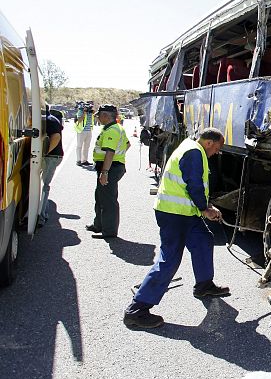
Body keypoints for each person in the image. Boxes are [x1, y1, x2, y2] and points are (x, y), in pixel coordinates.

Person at [123, 127, 229, 329]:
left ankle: (204, 285)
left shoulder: (190, 147)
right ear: (208, 143)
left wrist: (204, 208)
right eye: (216, 149)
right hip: (174, 214)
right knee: (170, 258)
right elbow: (194, 185)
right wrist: (205, 208)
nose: (216, 153)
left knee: (203, 241)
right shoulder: (194, 152)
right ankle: (137, 309)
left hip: (185, 214)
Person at [85, 105, 130, 239]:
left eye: (99, 115)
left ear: (106, 116)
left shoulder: (112, 130)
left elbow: (109, 153)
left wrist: (105, 172)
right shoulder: (114, 128)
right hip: (111, 166)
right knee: (100, 196)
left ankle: (109, 231)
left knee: (108, 200)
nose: (97, 117)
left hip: (110, 167)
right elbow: (127, 144)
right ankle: (99, 225)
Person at [38, 110, 64, 226]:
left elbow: (56, 136)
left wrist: (45, 153)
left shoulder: (49, 120)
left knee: (44, 185)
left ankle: (41, 217)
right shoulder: (50, 119)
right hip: (52, 156)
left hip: (52, 157)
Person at [74, 101, 95, 167]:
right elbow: (79, 120)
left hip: (89, 131)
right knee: (79, 146)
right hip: (81, 131)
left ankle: (84, 160)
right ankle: (78, 160)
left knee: (86, 146)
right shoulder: (80, 111)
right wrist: (84, 112)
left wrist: (91, 111)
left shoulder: (91, 112)